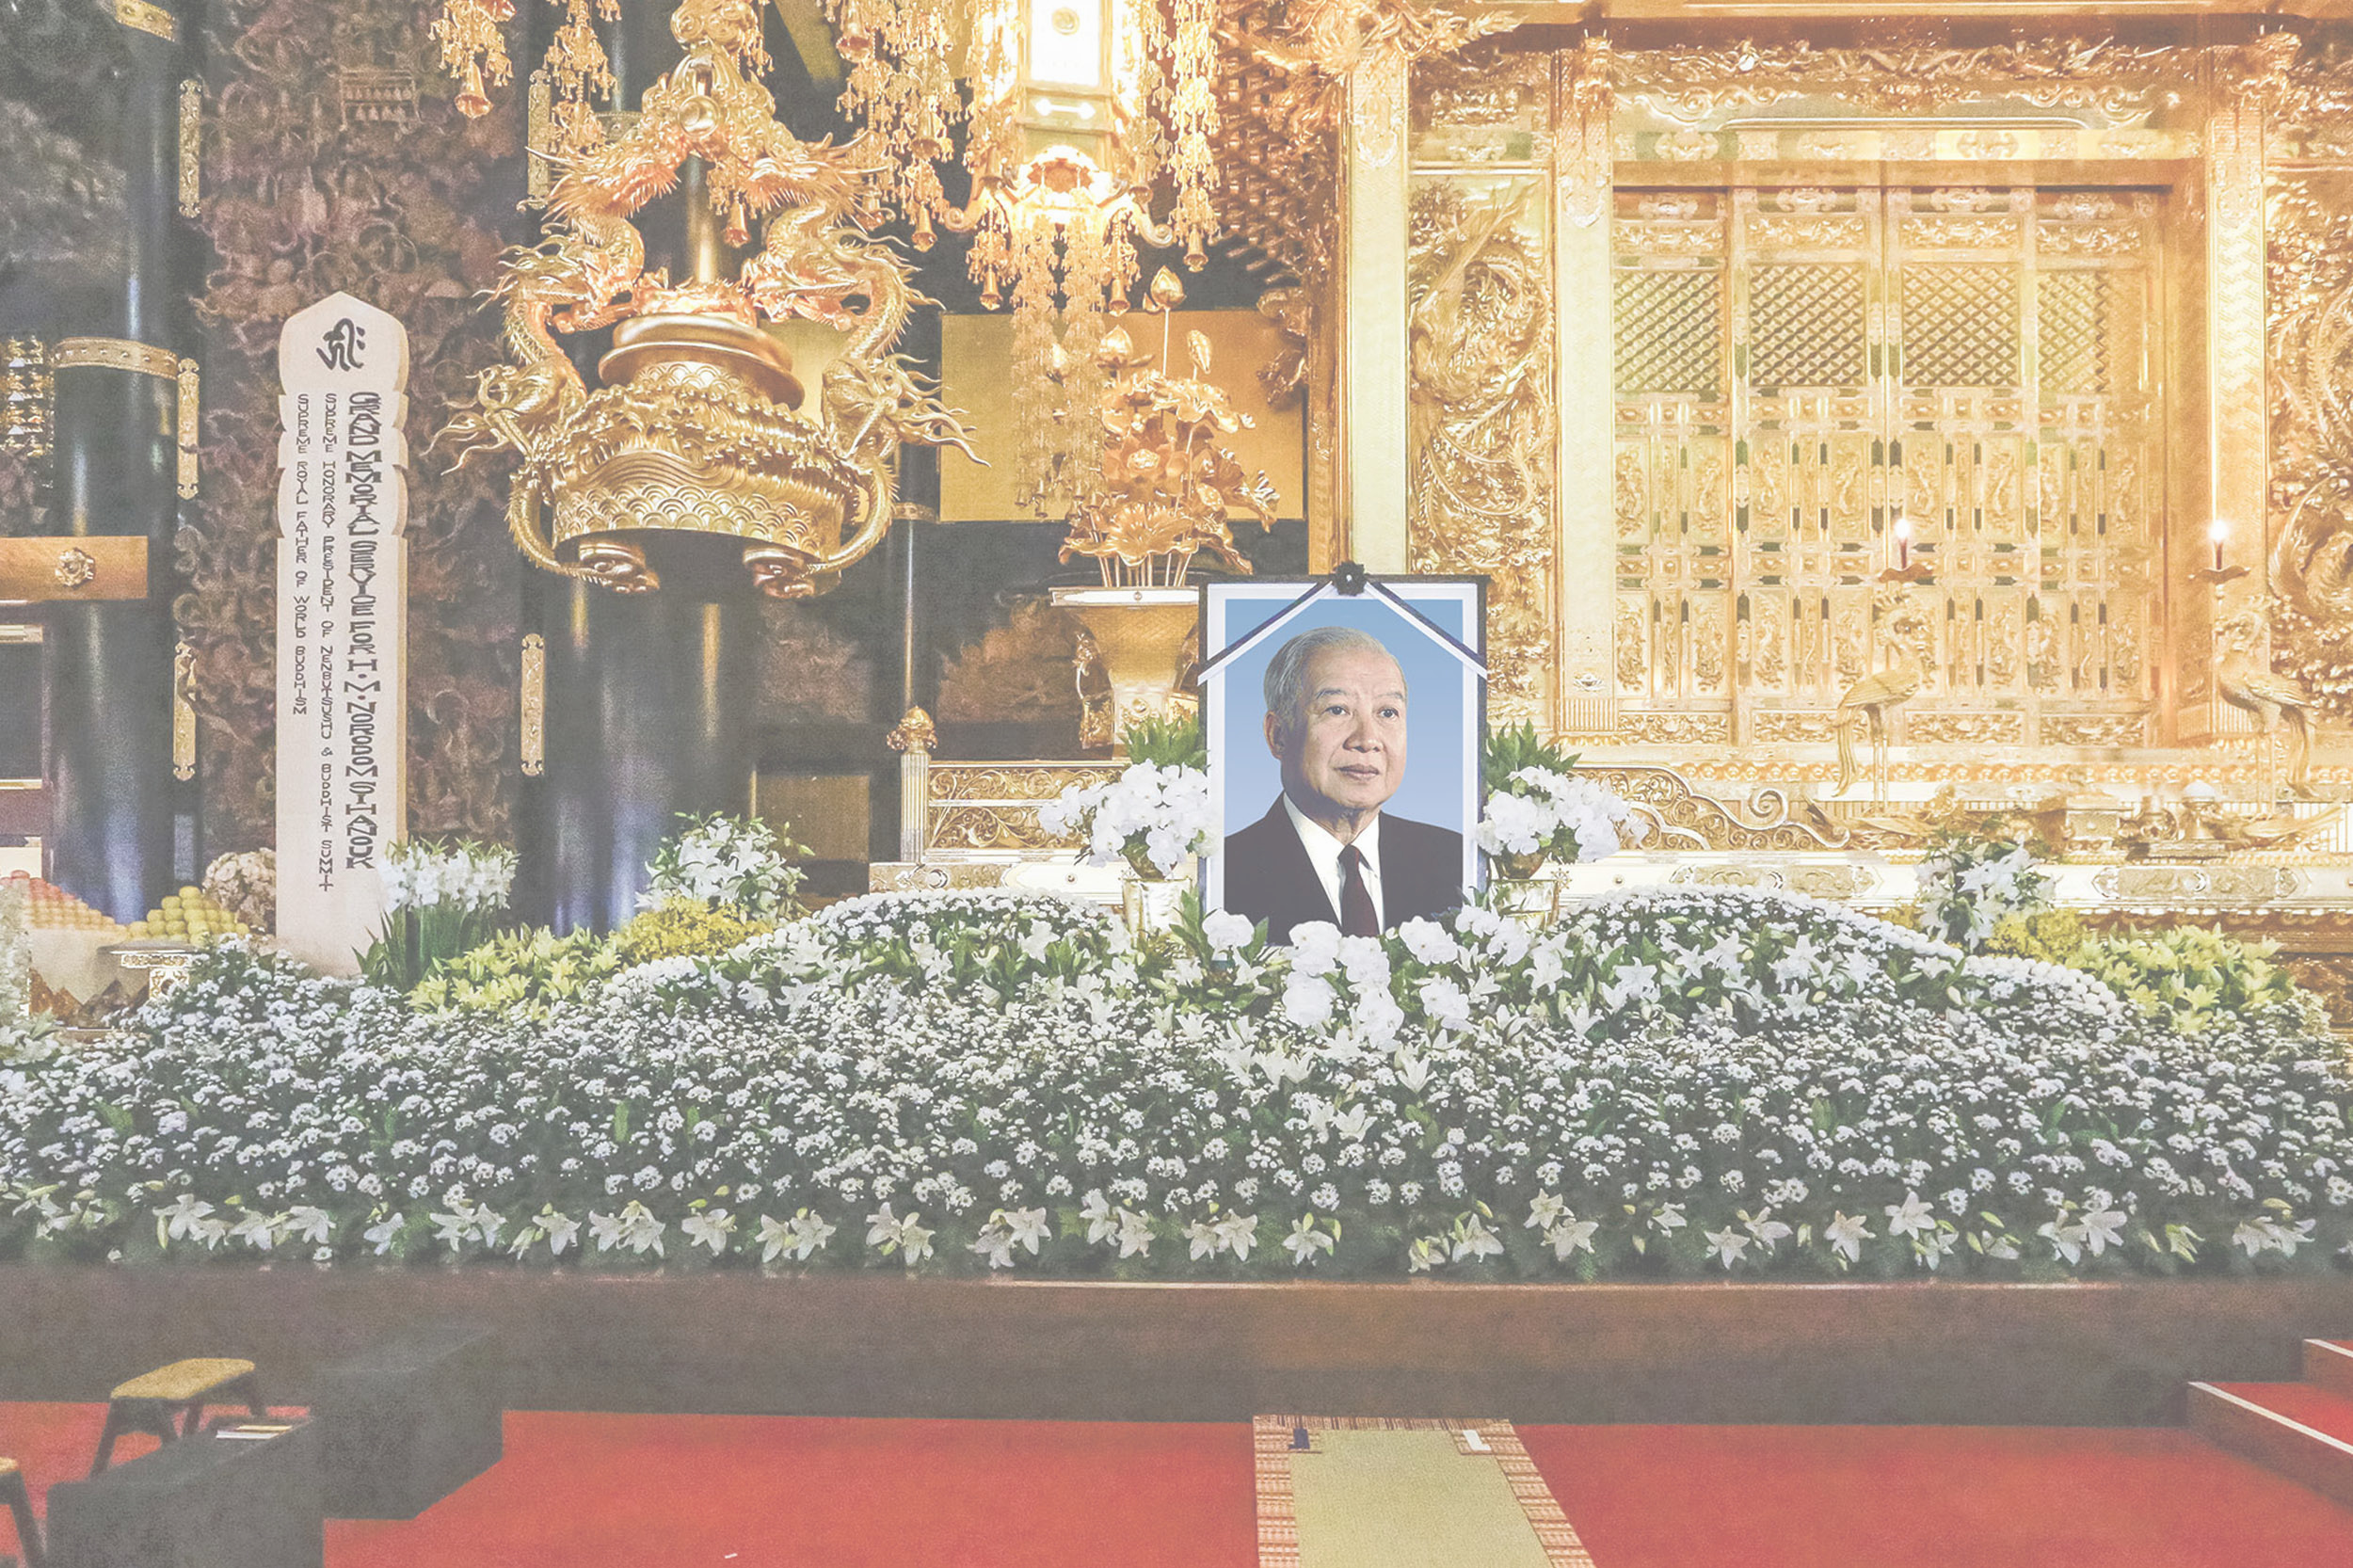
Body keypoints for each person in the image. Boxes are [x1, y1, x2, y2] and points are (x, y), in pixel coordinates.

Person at [1221, 624, 1466, 941]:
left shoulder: (1456, 862)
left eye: (1387, 713)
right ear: (1278, 735)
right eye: (1337, 710)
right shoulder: (1222, 876)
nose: (1367, 740)